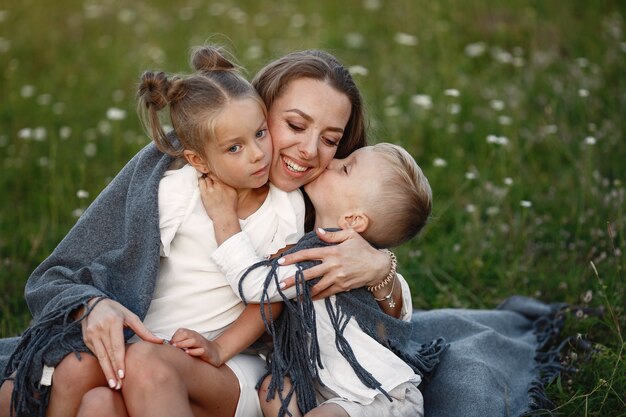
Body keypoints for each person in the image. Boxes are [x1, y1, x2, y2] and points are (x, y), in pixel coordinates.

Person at [0, 47, 408, 417]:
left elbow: (375, 318)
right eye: (295, 125)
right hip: (149, 340)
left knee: (134, 369)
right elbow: (61, 270)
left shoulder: (313, 202)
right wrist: (91, 304)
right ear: (258, 107)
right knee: (82, 395)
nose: (309, 150)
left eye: (331, 140)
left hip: (227, 365)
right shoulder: (173, 169)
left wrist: (379, 267)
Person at [188, 142, 443, 417]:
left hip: (378, 395)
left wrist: (224, 218)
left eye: (344, 168)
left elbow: (256, 287)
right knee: (274, 390)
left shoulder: (325, 256)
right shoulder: (309, 243)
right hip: (325, 391)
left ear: (353, 220)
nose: (331, 161)